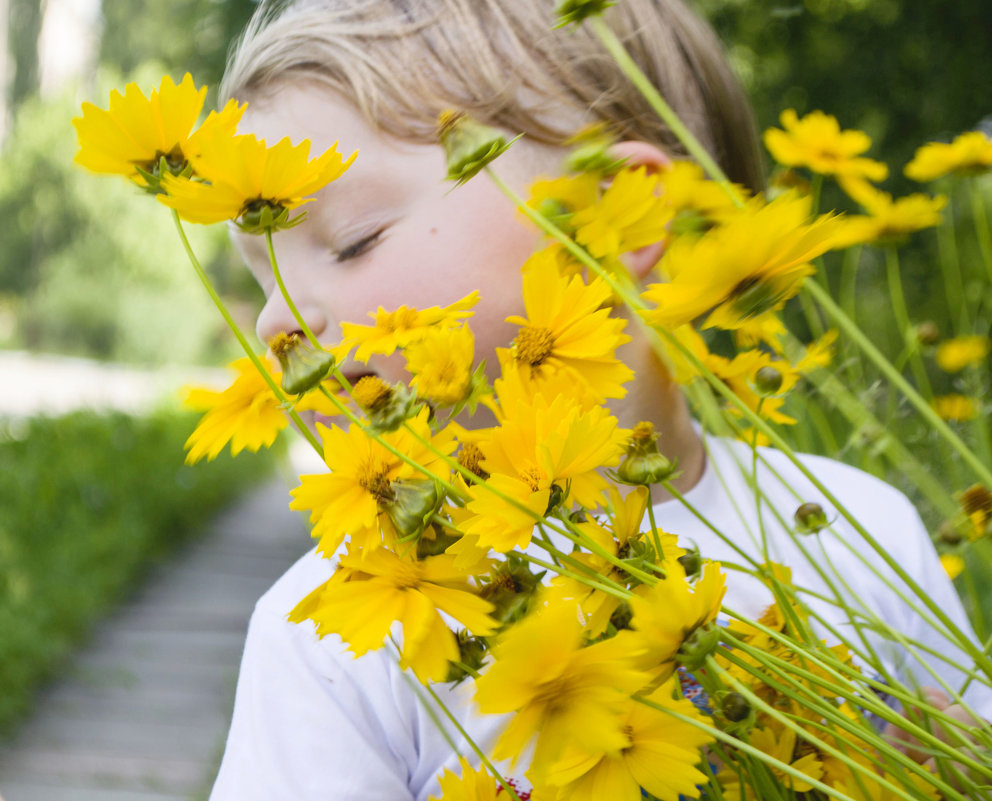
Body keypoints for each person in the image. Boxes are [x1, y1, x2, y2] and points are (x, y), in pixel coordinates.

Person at [208, 1, 992, 798]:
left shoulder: (861, 530)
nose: (277, 322)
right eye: (262, 276)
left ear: (618, 218)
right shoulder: (337, 631)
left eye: (353, 239)